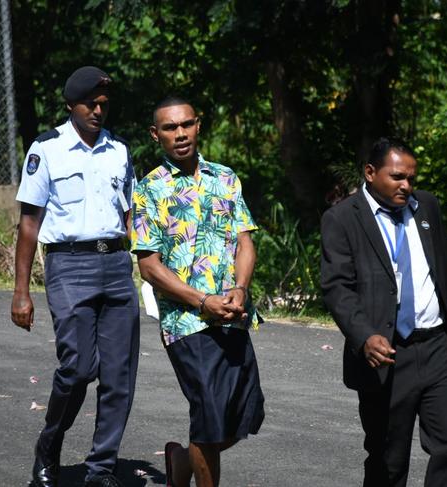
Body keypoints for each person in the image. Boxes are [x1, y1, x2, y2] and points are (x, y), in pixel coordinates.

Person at [320, 137, 447, 487]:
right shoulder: (341, 219)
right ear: (370, 173)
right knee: (387, 460)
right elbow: (337, 288)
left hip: (441, 348)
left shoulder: (426, 207)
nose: (406, 186)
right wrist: (364, 336)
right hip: (386, 355)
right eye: (397, 177)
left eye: (411, 178)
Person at [10, 66, 139, 487]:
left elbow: (129, 215)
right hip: (69, 265)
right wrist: (21, 292)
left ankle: (101, 470)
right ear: (71, 106)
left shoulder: (119, 149)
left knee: (118, 375)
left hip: (117, 265)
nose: (99, 111)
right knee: (79, 368)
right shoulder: (47, 149)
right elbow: (30, 222)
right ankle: (50, 444)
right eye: (90, 104)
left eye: (104, 104)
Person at [130, 97, 265, 487]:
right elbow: (150, 266)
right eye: (170, 128)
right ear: (156, 135)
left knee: (243, 416)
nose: (181, 134)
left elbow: (245, 241)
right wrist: (202, 301)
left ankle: (180, 460)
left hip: (235, 315)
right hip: (186, 322)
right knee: (209, 418)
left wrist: (240, 289)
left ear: (198, 125)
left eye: (186, 124)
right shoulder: (149, 189)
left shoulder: (225, 177)